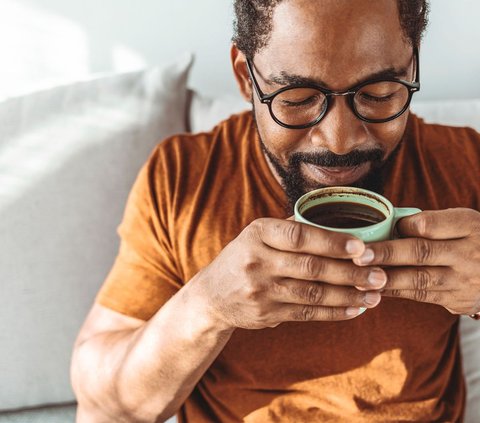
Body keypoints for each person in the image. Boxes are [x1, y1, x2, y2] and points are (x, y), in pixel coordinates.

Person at [71, 0, 480, 421]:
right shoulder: (183, 179)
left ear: (412, 69)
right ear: (246, 78)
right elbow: (104, 408)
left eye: (377, 94)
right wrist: (210, 305)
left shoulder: (465, 162)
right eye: (298, 98)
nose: (338, 140)